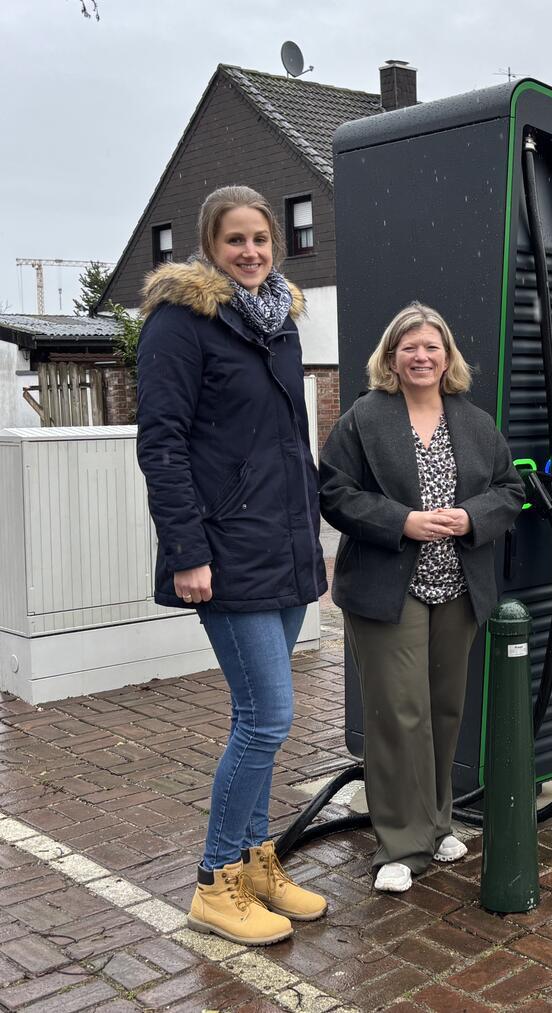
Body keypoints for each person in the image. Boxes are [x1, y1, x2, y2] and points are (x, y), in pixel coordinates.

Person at [136, 185, 328, 946]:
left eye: (260, 239)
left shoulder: (277, 323)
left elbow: (282, 444)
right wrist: (187, 552)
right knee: (266, 718)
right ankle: (216, 881)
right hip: (225, 551)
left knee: (266, 723)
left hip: (281, 547)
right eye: (234, 241)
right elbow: (162, 443)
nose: (250, 252)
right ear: (208, 247)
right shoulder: (181, 325)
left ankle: (257, 863)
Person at [319, 302, 525, 893]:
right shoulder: (364, 418)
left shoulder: (475, 422)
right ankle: (401, 844)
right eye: (409, 346)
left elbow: (509, 490)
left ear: (448, 357)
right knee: (396, 714)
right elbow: (333, 490)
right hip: (390, 588)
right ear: (390, 357)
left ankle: (436, 824)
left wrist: (471, 516)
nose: (421, 356)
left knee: (442, 710)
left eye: (432, 346)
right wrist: (400, 522)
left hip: (458, 587)